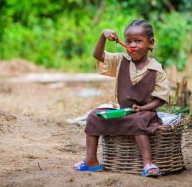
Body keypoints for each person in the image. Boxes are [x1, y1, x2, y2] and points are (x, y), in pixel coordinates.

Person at [71, 20, 170, 177]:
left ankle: (147, 163)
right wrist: (103, 35)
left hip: (144, 114)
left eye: (138, 41)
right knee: (93, 116)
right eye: (128, 41)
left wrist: (143, 108)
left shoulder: (156, 70)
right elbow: (98, 55)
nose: (132, 45)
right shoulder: (121, 60)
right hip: (122, 111)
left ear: (150, 43)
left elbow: (160, 99)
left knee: (137, 121)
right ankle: (90, 160)